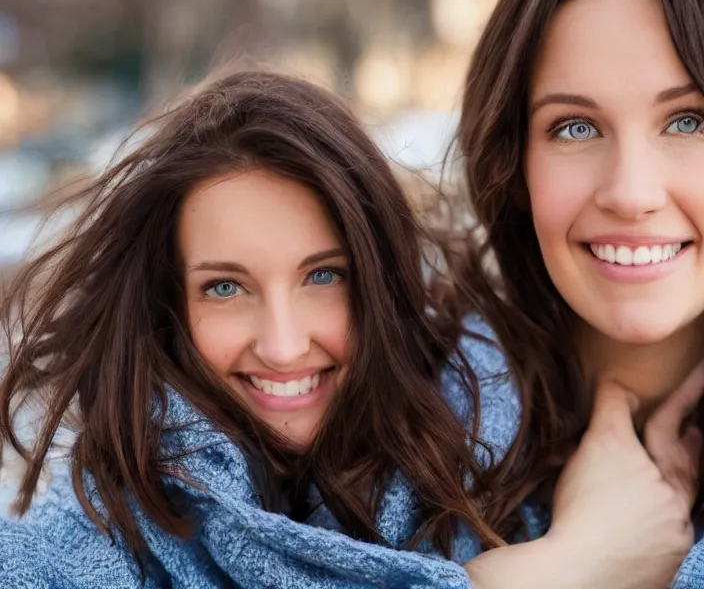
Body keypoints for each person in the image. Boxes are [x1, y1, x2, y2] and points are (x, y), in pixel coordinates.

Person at [0, 69, 698, 589]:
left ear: (382, 282)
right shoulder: (100, 535)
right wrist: (565, 569)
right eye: (225, 287)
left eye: (323, 276)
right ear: (167, 308)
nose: (281, 343)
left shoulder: (504, 446)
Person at [449, 0, 704, 589]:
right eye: (573, 129)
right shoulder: (388, 422)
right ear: (513, 165)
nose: (630, 192)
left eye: (688, 120)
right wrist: (567, 568)